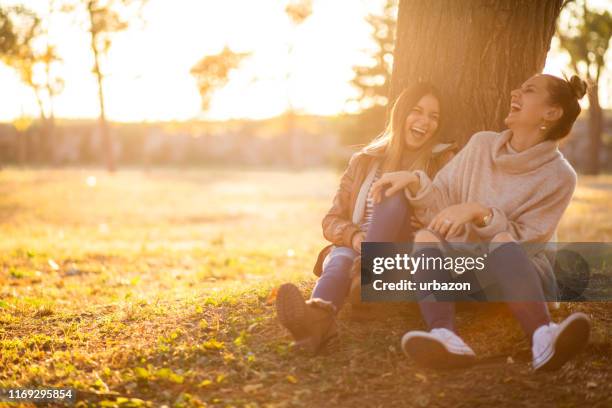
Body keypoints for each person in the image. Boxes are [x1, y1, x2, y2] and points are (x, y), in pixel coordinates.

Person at [370, 74, 591, 371]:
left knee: (501, 241)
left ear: (550, 113)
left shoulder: (560, 176)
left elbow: (528, 241)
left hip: (518, 274)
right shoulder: (480, 145)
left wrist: (479, 212)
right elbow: (439, 206)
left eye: (528, 90)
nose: (515, 92)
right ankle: (445, 335)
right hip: (466, 271)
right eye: (519, 86)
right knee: (425, 237)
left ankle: (543, 337)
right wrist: (414, 182)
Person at [275, 82, 456, 354]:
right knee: (339, 259)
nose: (425, 122)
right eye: (417, 111)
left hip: (404, 255)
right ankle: (317, 321)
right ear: (400, 114)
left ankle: (368, 274)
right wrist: (355, 237)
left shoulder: (441, 159)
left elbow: (446, 214)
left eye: (434, 116)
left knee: (392, 192)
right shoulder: (364, 161)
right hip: (356, 251)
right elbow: (332, 219)